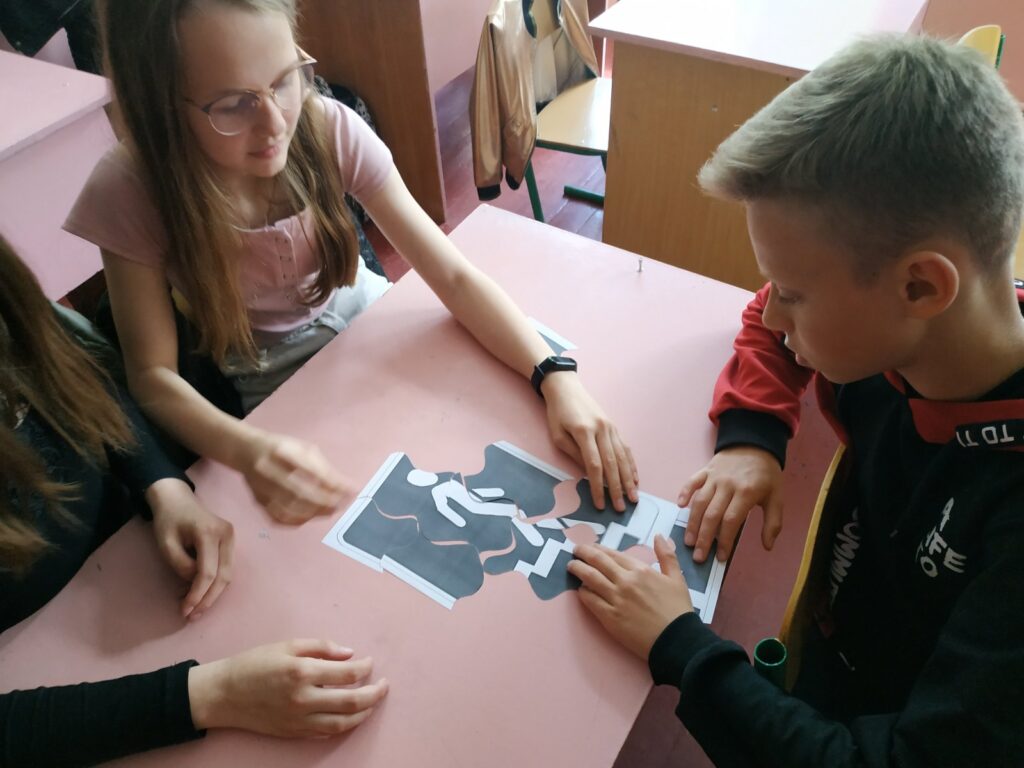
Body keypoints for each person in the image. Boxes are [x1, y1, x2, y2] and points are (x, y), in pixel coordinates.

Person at [568, 34, 1024, 767]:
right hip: (846, 643)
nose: (773, 311)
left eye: (794, 292)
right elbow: (765, 320)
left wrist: (681, 646)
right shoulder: (918, 330)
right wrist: (753, 436)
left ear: (921, 286)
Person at [63, 0, 637, 526]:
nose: (275, 123)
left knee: (481, 438)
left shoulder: (327, 125)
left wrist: (553, 373)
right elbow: (153, 378)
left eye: (285, 78)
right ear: (163, 106)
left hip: (370, 320)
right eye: (234, 104)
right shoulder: (132, 188)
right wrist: (247, 449)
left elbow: (453, 274)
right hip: (266, 381)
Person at [0, 235, 387, 766]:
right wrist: (210, 696)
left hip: (127, 566)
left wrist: (163, 488)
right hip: (62, 680)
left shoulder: (12, 309)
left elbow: (82, 385)